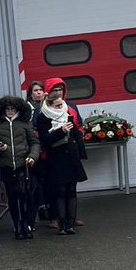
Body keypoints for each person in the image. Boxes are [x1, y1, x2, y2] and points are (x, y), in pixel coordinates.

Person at [34, 78, 88, 235]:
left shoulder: (69, 110)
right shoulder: (43, 116)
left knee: (72, 189)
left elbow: (76, 132)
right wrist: (61, 131)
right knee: (60, 190)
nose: (59, 96)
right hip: (55, 156)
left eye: (61, 91)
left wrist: (80, 151)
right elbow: (44, 139)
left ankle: (71, 223)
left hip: (71, 154)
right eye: (55, 91)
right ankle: (61, 223)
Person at [0, 96, 41, 240]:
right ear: (3, 110)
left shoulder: (25, 124)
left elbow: (34, 142)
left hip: (24, 165)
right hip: (7, 166)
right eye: (7, 109)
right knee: (12, 199)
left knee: (25, 196)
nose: (10, 111)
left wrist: (32, 156)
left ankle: (27, 224)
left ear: (18, 109)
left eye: (13, 109)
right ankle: (17, 226)